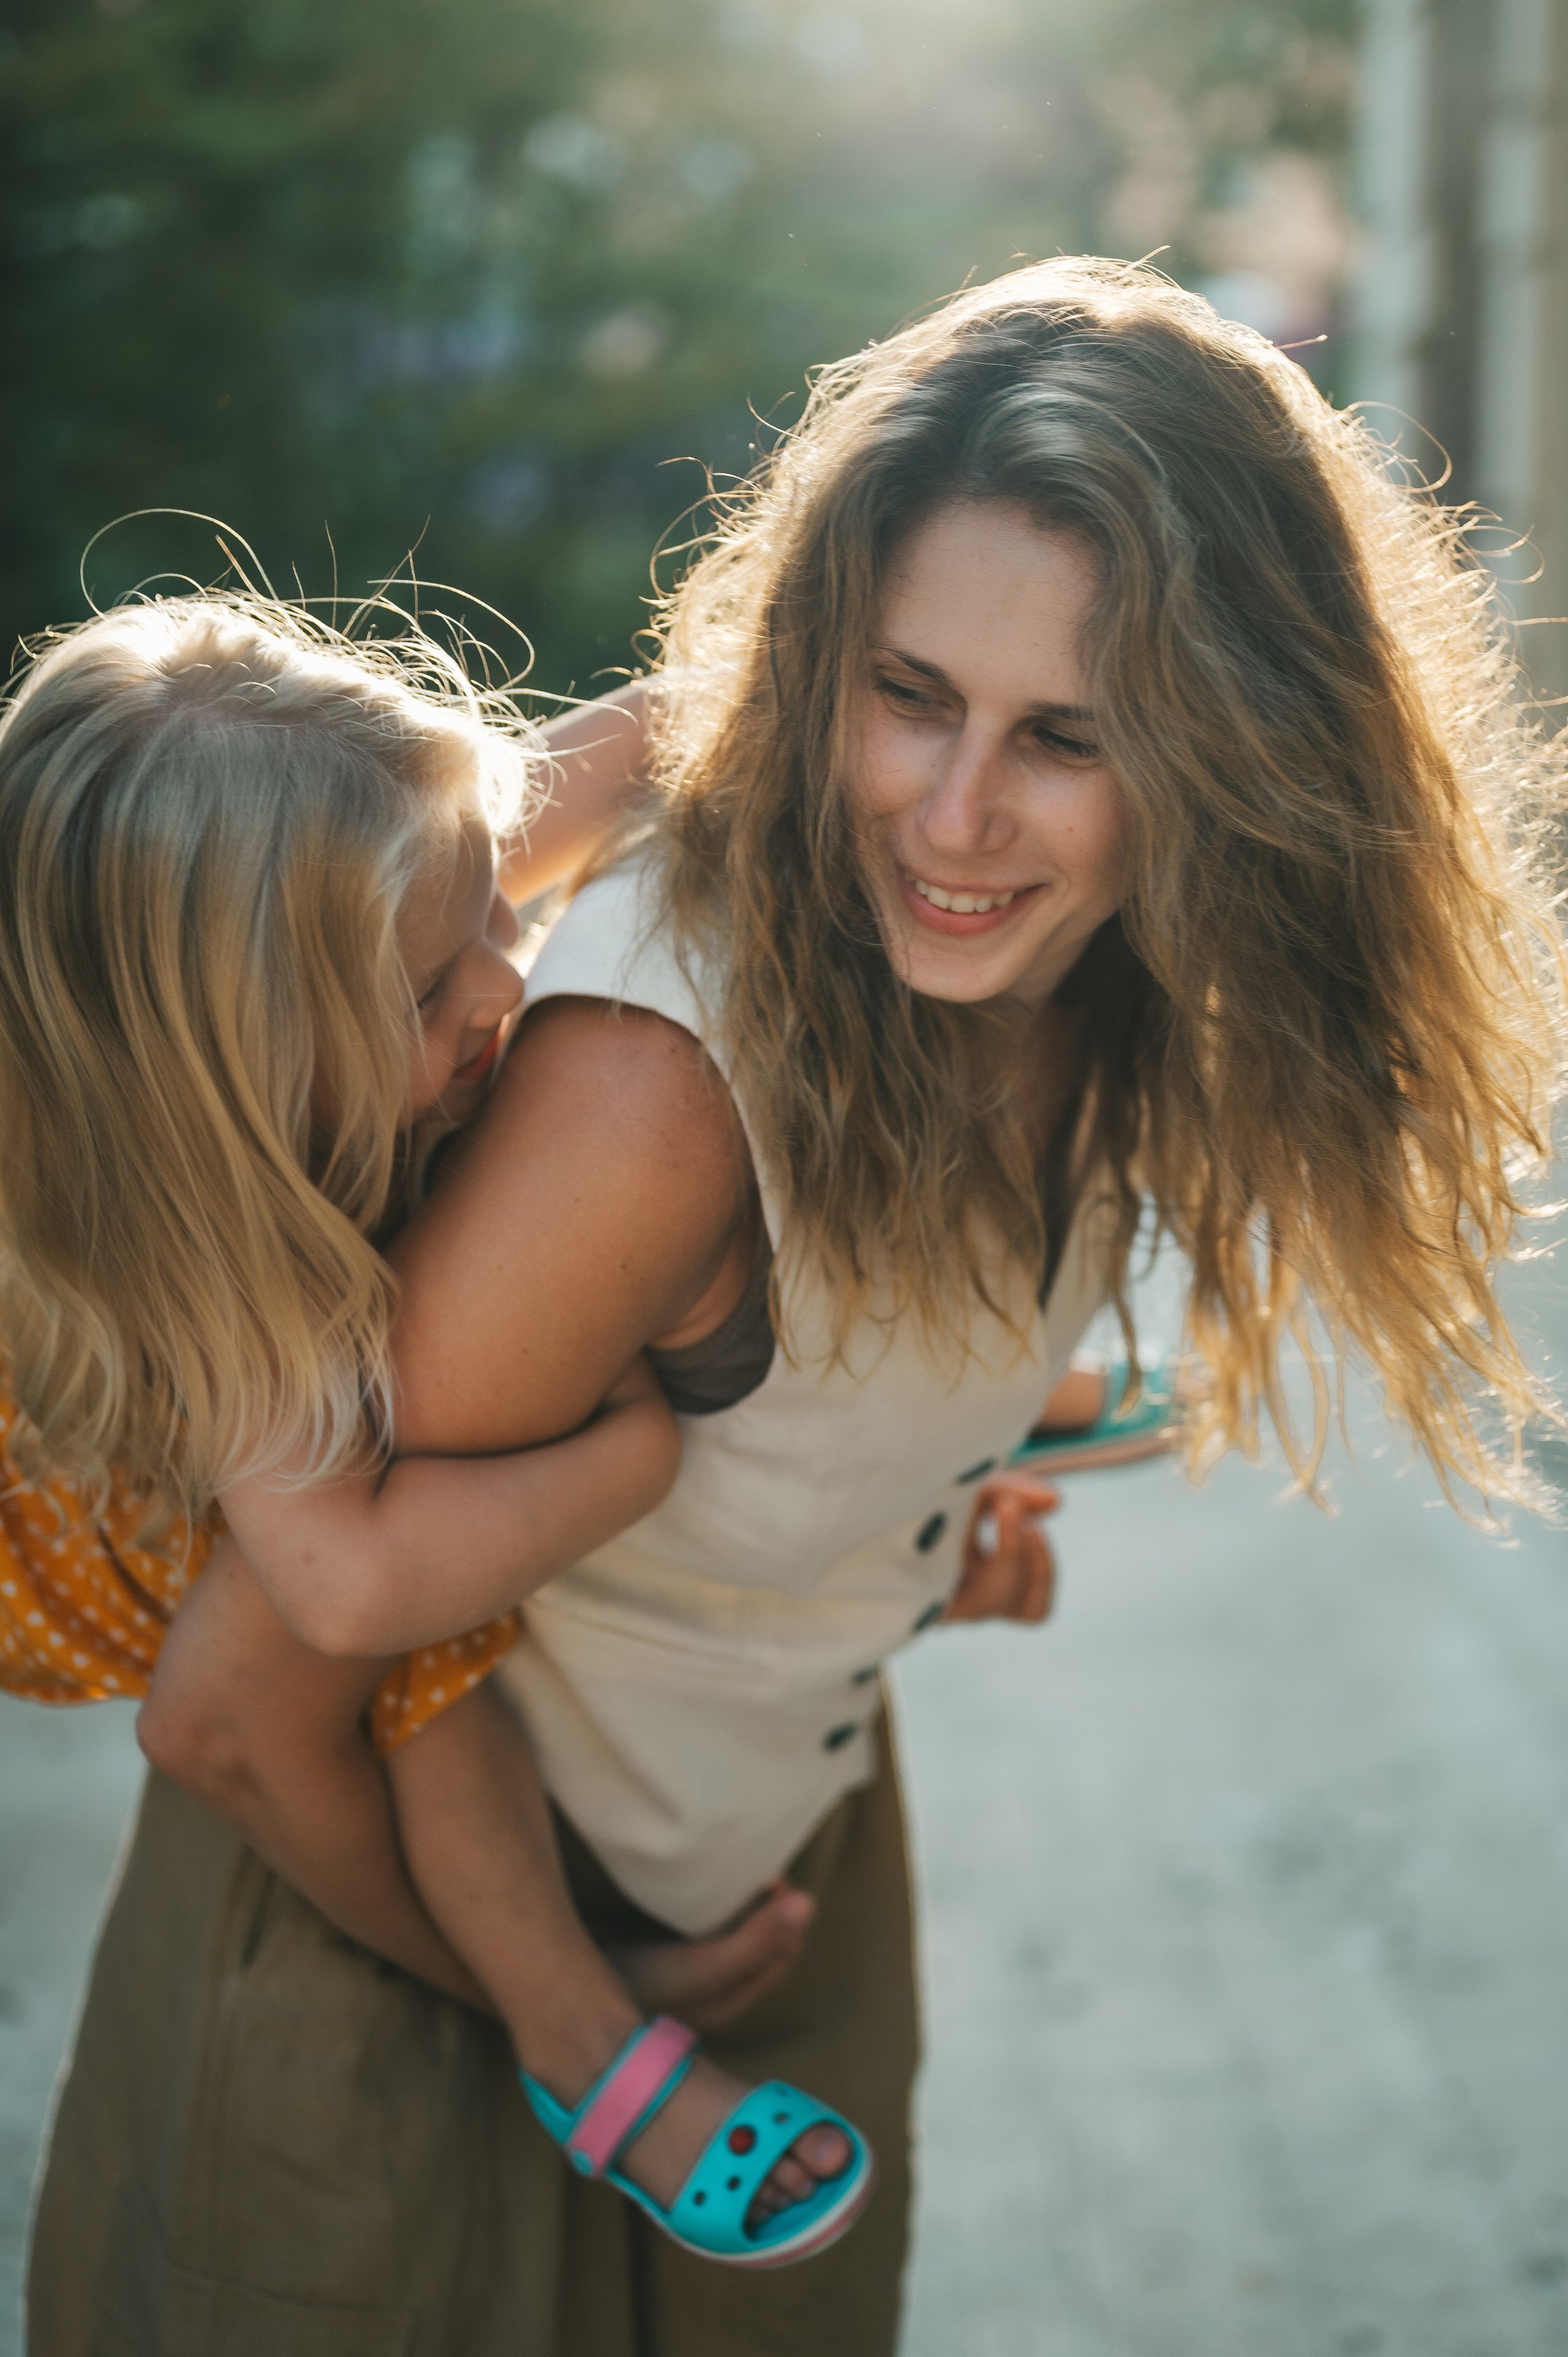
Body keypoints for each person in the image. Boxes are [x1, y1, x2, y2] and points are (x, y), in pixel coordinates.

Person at [29, 255, 1566, 2356]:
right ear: (825, 649)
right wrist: (583, 2022)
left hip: (780, 1877)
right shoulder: (653, 1091)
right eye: (907, 693)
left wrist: (897, 1535)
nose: (953, 817)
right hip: (387, 1981)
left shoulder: (1089, 980)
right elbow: (238, 1708)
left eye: (1070, 737)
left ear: (1230, 753)